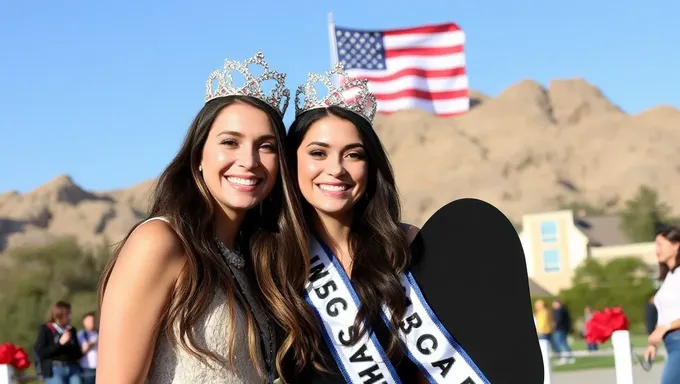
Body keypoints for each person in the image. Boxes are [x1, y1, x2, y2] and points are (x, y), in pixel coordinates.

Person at [96, 52, 308, 384]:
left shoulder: (256, 258)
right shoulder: (161, 242)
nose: (249, 161)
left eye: (266, 146)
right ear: (198, 156)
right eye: (230, 142)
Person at [279, 62, 493, 383]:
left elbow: (442, 365)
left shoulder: (406, 246)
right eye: (318, 153)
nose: (337, 169)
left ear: (371, 166)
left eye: (354, 154)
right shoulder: (272, 256)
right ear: (292, 161)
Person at [644, 226, 680, 384]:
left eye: (660, 244)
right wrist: (653, 343)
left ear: (676, 245)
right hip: (672, 344)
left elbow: (667, 321)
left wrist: (665, 328)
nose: (656, 250)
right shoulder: (669, 278)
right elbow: (666, 312)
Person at [33, 301, 84, 384]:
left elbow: (78, 354)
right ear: (59, 315)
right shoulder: (45, 329)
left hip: (72, 368)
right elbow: (41, 352)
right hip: (54, 369)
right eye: (67, 314)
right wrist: (60, 343)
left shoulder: (71, 330)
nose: (70, 317)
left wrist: (72, 345)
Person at [552, 299, 575, 365]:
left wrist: (554, 325)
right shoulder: (562, 310)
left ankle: (568, 357)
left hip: (560, 329)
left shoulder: (560, 310)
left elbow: (558, 320)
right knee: (562, 343)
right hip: (561, 329)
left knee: (561, 343)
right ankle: (566, 357)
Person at [77, 311, 98, 384]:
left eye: (93, 320)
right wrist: (92, 343)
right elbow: (80, 352)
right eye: (89, 321)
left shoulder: (99, 332)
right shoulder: (81, 335)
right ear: (84, 322)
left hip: (100, 368)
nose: (91, 322)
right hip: (87, 368)